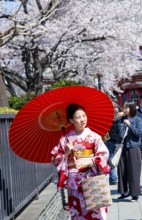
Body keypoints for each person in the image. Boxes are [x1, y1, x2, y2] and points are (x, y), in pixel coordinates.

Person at [51, 103, 111, 220]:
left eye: (84, 116)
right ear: (71, 120)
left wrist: (91, 161)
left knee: (96, 210)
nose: (83, 120)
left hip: (91, 177)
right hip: (74, 183)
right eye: (78, 117)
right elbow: (54, 160)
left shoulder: (94, 136)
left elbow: (104, 154)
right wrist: (67, 152)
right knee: (78, 212)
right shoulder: (65, 139)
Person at [116, 101, 142, 202]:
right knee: (122, 170)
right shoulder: (122, 118)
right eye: (124, 107)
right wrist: (118, 120)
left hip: (133, 147)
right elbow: (117, 132)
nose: (124, 110)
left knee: (133, 171)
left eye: (126, 108)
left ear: (131, 108)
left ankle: (135, 194)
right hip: (122, 147)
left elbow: (138, 134)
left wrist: (130, 125)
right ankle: (124, 192)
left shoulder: (138, 119)